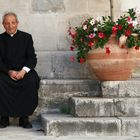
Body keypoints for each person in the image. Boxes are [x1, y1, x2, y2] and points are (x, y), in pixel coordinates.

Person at [0, 12, 40, 129]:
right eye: (7, 23)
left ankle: (24, 118)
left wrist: (23, 71)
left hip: (23, 71)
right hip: (5, 71)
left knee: (31, 81)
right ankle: (3, 117)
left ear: (17, 23)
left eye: (13, 22)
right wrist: (8, 71)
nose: (10, 26)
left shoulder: (27, 37)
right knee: (1, 82)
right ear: (3, 24)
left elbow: (32, 58)